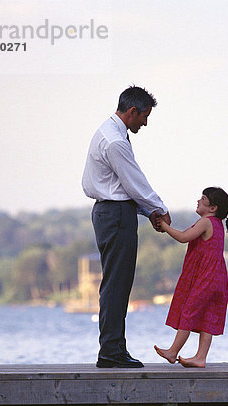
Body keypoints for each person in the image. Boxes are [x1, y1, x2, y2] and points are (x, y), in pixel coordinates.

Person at [82, 86, 171, 368]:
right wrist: (159, 209)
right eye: (144, 116)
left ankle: (114, 348)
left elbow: (124, 185)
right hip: (116, 214)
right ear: (132, 112)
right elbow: (134, 182)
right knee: (117, 286)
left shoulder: (110, 132)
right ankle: (111, 351)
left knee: (115, 284)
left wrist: (147, 212)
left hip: (113, 212)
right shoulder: (115, 141)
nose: (145, 123)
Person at [154, 187, 228, 368]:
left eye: (203, 198)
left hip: (206, 277)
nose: (198, 201)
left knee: (188, 310)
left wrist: (165, 226)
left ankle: (173, 351)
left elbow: (184, 237)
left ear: (212, 208)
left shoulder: (206, 222)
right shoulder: (217, 224)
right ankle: (200, 357)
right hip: (218, 277)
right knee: (208, 314)